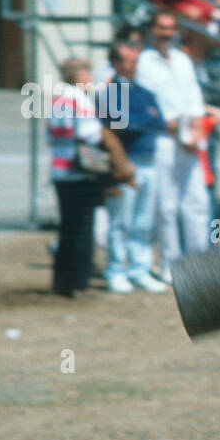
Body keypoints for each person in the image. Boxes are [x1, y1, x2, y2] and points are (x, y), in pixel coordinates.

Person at [136, 9, 220, 283]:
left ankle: (198, 264)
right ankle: (170, 265)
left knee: (197, 201)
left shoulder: (183, 60)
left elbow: (194, 97)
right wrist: (175, 127)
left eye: (170, 28)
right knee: (166, 206)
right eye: (161, 27)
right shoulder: (144, 62)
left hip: (191, 138)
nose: (166, 33)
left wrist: (196, 129)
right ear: (152, 30)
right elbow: (148, 103)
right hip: (164, 138)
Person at [47, 58, 132, 297]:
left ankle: (62, 280)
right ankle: (79, 283)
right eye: (87, 73)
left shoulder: (57, 97)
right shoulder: (78, 98)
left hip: (59, 168)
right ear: (77, 75)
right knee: (83, 227)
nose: (90, 78)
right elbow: (89, 134)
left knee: (67, 227)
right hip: (79, 170)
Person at [98, 44, 170, 293]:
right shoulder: (112, 91)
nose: (133, 66)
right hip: (126, 161)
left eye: (135, 61)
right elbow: (123, 123)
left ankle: (139, 268)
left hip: (148, 159)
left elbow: (159, 121)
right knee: (121, 220)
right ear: (116, 64)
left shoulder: (144, 92)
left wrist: (141, 120)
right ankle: (116, 269)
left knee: (143, 219)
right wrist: (144, 119)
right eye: (128, 61)